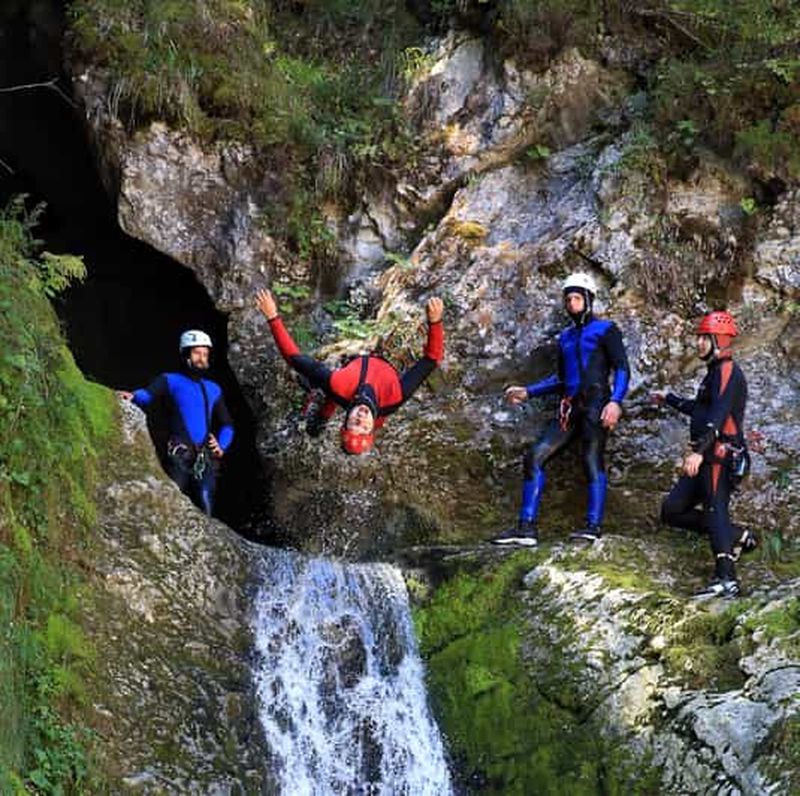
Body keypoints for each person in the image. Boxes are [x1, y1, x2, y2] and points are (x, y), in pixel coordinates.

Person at [490, 272, 630, 546]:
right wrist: (528, 392)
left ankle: (593, 527)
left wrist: (615, 402)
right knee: (535, 456)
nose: (571, 303)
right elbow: (562, 379)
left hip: (596, 405)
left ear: (589, 299)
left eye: (577, 298)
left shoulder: (606, 330)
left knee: (592, 460)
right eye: (568, 299)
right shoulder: (565, 337)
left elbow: (622, 368)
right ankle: (526, 528)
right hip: (569, 408)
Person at [255, 288, 444, 455]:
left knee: (315, 404)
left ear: (346, 420)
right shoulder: (394, 396)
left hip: (351, 365)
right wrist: (435, 322)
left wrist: (272, 317)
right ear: (371, 426)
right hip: (385, 364)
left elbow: (294, 359)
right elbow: (431, 359)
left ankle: (318, 405)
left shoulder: (340, 383)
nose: (361, 418)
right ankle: (323, 408)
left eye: (355, 423)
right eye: (364, 427)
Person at [652, 310, 755, 599]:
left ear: (718, 340)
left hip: (720, 455)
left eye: (703, 337)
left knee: (715, 508)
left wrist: (698, 452)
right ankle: (736, 536)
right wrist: (669, 398)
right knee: (672, 510)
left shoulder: (728, 372)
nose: (697, 342)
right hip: (707, 454)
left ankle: (727, 579)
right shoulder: (714, 372)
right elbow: (702, 410)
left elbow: (719, 417)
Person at [119, 330, 234, 516]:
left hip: (204, 457)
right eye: (197, 353)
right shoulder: (170, 380)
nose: (202, 358)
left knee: (206, 503)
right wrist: (132, 396)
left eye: (205, 354)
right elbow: (148, 396)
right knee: (173, 500)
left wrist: (221, 446)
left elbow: (227, 423)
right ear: (186, 354)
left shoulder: (213, 389)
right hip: (179, 454)